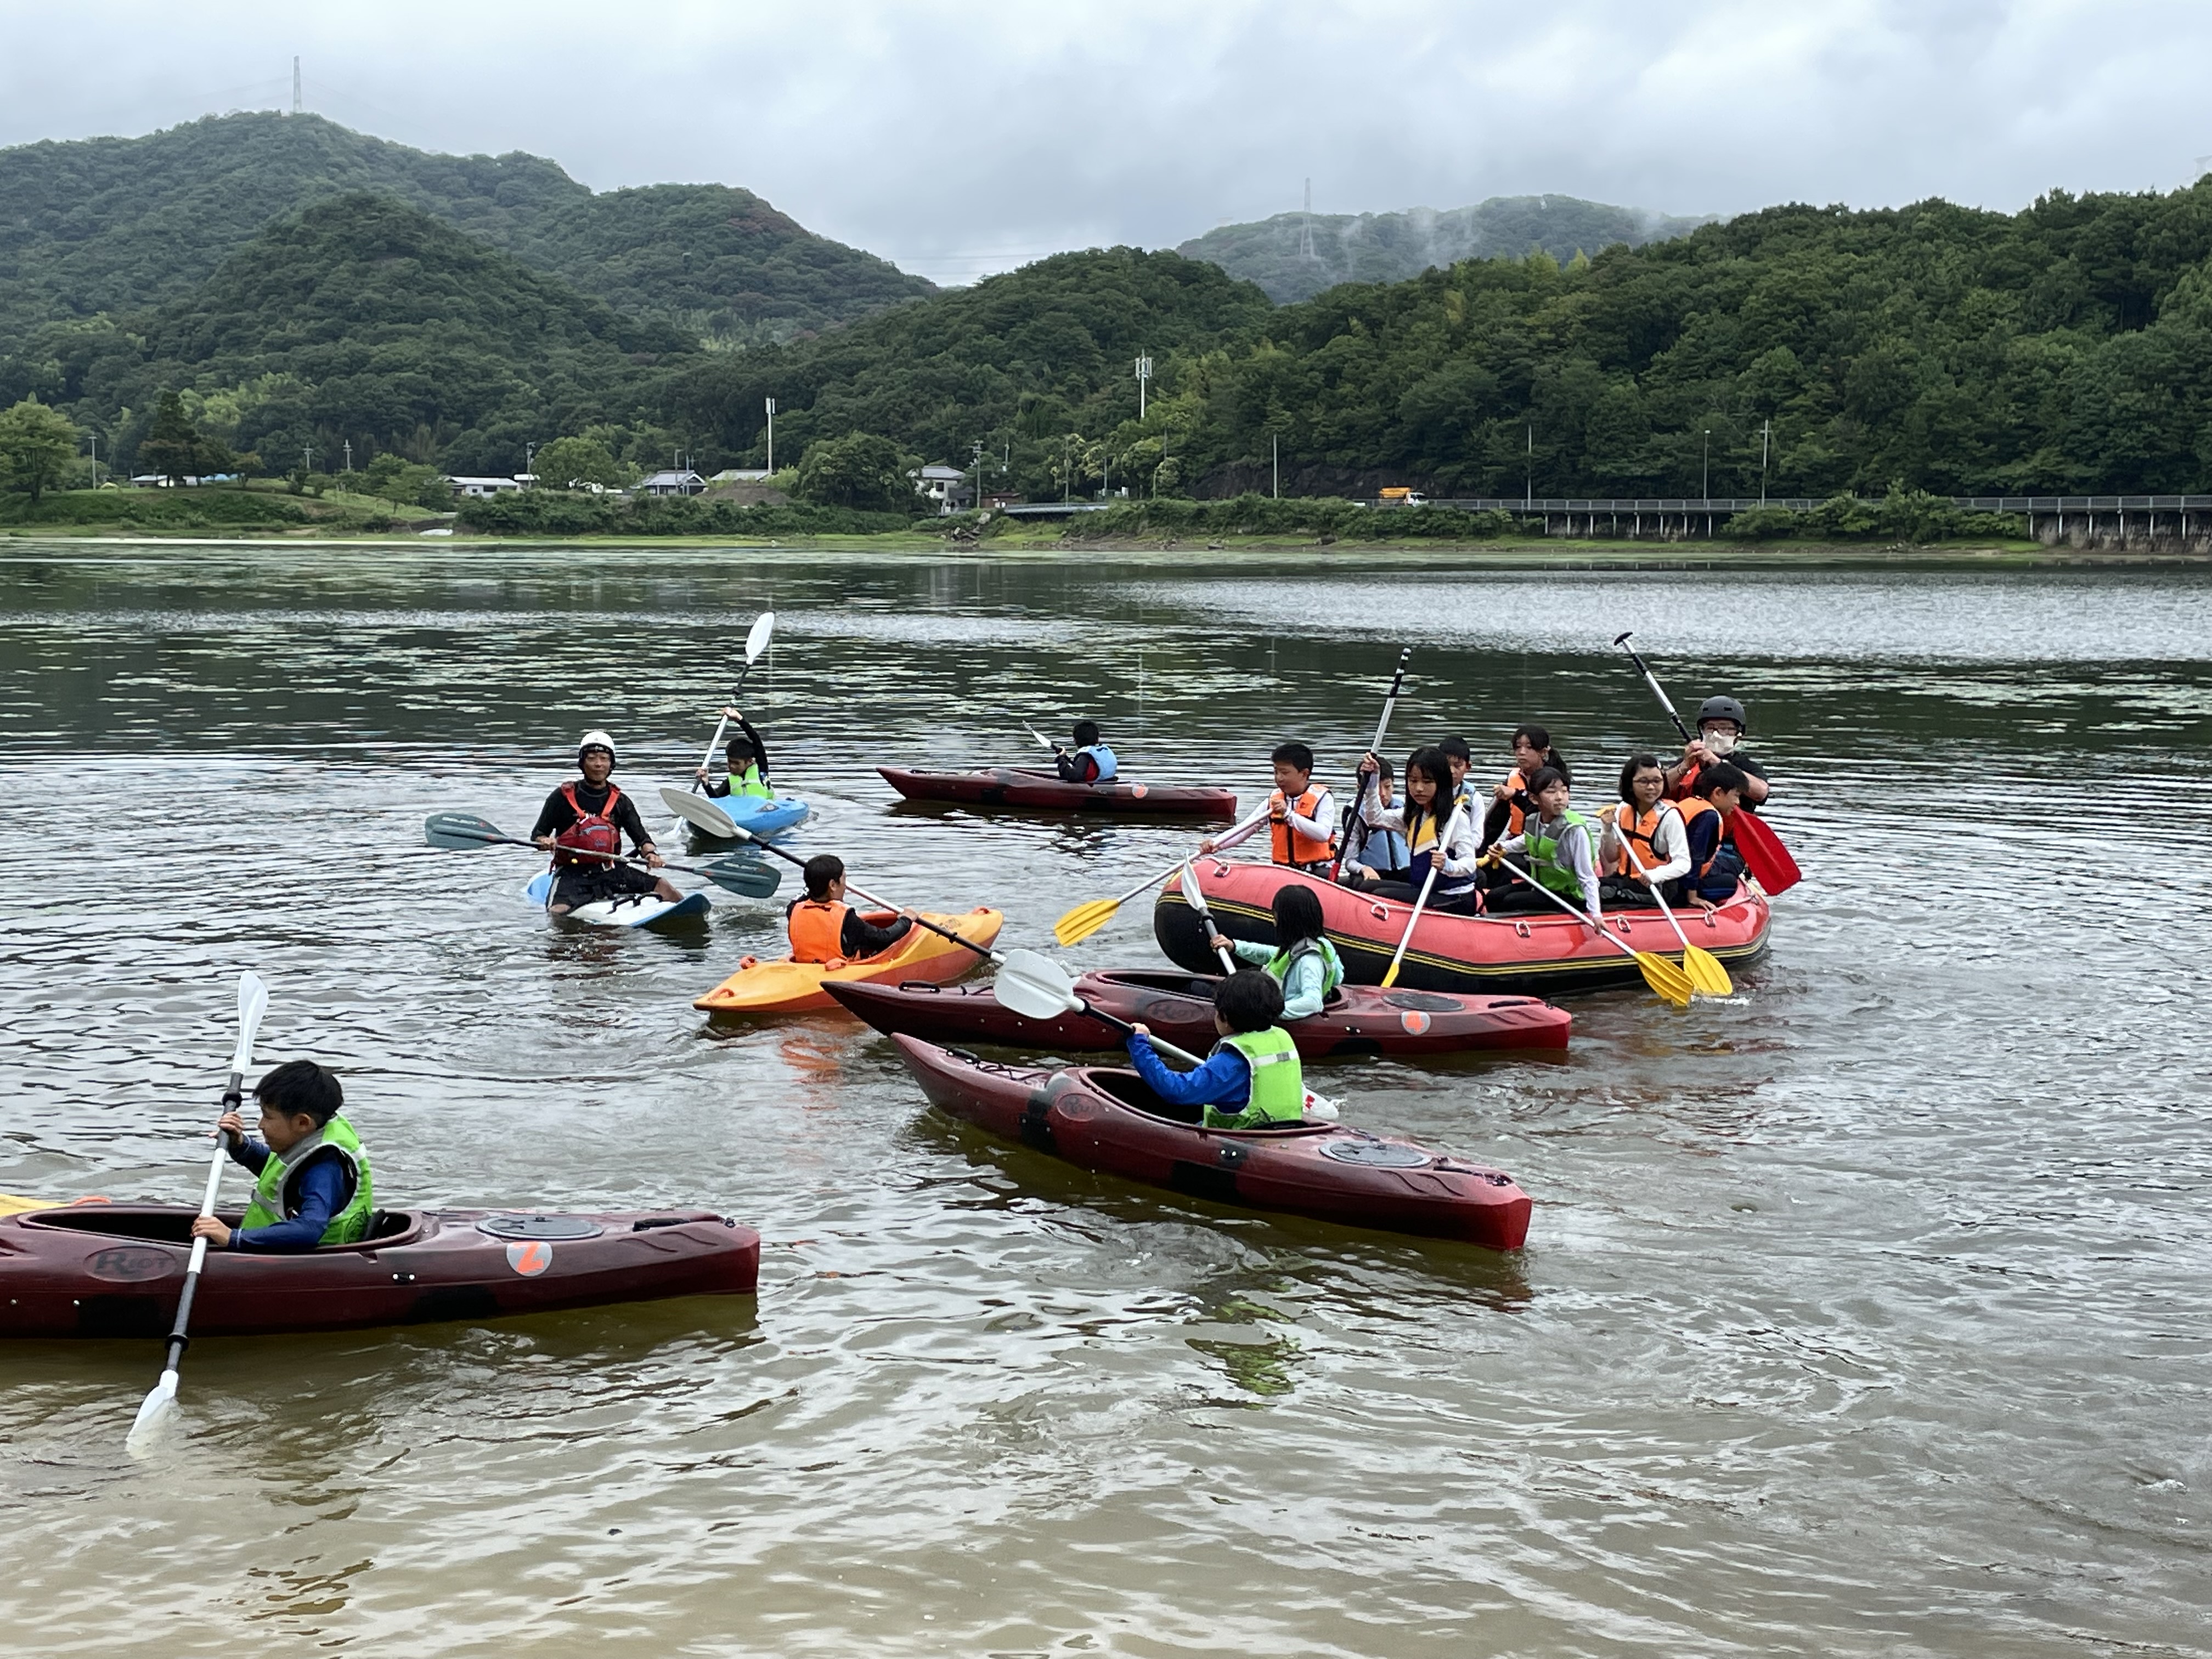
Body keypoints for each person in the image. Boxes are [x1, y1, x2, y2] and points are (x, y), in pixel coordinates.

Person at [189, 1060, 373, 1254]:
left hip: (310, 1267)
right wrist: (241, 1145)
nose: (261, 1125)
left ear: (302, 1123)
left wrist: (233, 1238)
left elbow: (309, 1230)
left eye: (267, 1116)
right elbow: (283, 1179)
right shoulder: (313, 1135)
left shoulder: (324, 1170)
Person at [1124, 970, 1305, 1130]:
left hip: (1242, 1143)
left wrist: (1140, 1044)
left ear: (1224, 1016)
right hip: (1285, 1132)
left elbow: (1176, 1091)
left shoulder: (1230, 1063)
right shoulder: (1281, 1038)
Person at [532, 731, 679, 914]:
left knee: (665, 888)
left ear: (611, 764)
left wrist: (652, 854)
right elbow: (538, 834)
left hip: (610, 870)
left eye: (604, 758)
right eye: (592, 758)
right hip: (572, 873)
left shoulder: (620, 801)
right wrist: (544, 841)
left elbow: (641, 839)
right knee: (557, 913)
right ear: (582, 762)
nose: (598, 764)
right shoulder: (561, 797)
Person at [1348, 744, 1482, 912]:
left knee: (1380, 894)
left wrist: (1447, 865)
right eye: (1413, 781)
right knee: (1369, 888)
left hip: (1453, 897)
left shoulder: (1455, 819)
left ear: (1440, 783)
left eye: (1427, 782)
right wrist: (1372, 780)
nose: (1419, 788)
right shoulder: (1414, 815)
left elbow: (1470, 864)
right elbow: (1374, 818)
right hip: (1423, 889)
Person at [1204, 883, 1345, 1020]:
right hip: (1267, 999)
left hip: (1270, 1010)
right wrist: (1235, 946)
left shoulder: (1309, 961)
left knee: (1197, 989)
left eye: (1276, 916)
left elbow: (1313, 1003)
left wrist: (1263, 1013)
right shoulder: (1316, 944)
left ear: (1288, 921)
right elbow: (1272, 953)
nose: (1274, 922)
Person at [1485, 765, 1602, 922]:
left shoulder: (1575, 830)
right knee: (1493, 897)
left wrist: (1596, 915)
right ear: (1534, 799)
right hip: (1543, 886)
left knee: (1508, 902)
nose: (1560, 797)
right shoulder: (1536, 821)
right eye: (1551, 792)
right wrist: (1503, 848)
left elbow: (1587, 876)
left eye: (1564, 791)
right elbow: (1526, 841)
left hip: (1569, 895)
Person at [1199, 742, 1336, 872]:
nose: (1279, 778)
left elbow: (1323, 834)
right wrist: (1216, 843)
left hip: (1316, 871)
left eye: (1285, 773)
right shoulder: (1273, 800)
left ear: (1304, 774)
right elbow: (1243, 830)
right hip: (1283, 870)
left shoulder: (1322, 798)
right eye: (1276, 772)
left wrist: (1288, 814)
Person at [1596, 753, 1690, 907]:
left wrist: (1654, 875)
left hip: (1656, 886)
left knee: (1603, 892)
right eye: (1643, 782)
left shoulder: (1669, 816)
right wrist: (1606, 830)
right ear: (1630, 785)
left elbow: (1684, 863)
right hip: (1625, 880)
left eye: (1657, 781)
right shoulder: (1623, 809)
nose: (1651, 787)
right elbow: (1611, 857)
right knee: (1588, 888)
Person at [787, 854, 914, 963]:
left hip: (803, 969)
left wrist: (816, 879)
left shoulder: (793, 910)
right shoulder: (846, 919)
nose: (845, 887)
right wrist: (906, 920)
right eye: (844, 879)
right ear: (832, 885)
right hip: (836, 973)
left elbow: (804, 895)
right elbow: (883, 939)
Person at [1666, 696, 1770, 809]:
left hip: (1731, 824)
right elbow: (1659, 790)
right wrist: (1684, 766)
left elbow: (1761, 793)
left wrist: (1717, 763)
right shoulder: (1689, 760)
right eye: (1710, 728)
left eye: (1724, 728)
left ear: (1738, 734)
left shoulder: (1745, 765)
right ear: (1702, 731)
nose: (1716, 734)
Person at [1481, 724, 1570, 855]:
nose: (1522, 752)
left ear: (1543, 752)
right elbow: (1495, 823)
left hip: (1544, 845)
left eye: (1529, 747)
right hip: (1514, 843)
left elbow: (1545, 813)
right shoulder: (1513, 778)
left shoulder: (1555, 780)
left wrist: (1516, 795)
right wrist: (1481, 851)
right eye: (1518, 747)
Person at [1677, 761, 1751, 909]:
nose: (1737, 802)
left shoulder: (1690, 802)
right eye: (1735, 796)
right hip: (1681, 882)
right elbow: (1695, 856)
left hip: (1672, 872)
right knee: (1730, 882)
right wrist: (1693, 897)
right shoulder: (1709, 817)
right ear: (1718, 793)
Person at [1338, 754, 1409, 883]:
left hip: (1405, 873)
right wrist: (1364, 869)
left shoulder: (1403, 807)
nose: (1382, 794)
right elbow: (1350, 861)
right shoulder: (1356, 816)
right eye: (1377, 788)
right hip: (1374, 876)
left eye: (1388, 787)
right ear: (1361, 788)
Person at [697, 709, 772, 802]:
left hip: (765, 812)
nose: (731, 766)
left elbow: (757, 741)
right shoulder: (730, 782)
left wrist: (739, 719)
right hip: (742, 814)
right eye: (730, 761)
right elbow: (716, 799)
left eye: (737, 763)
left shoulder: (761, 769)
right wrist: (706, 783)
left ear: (749, 761)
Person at [1052, 719, 1118, 784]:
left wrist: (1062, 759)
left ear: (1075, 740)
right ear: (1097, 739)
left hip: (1093, 788)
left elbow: (1073, 776)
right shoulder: (1103, 751)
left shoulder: (1085, 756)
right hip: (1108, 783)